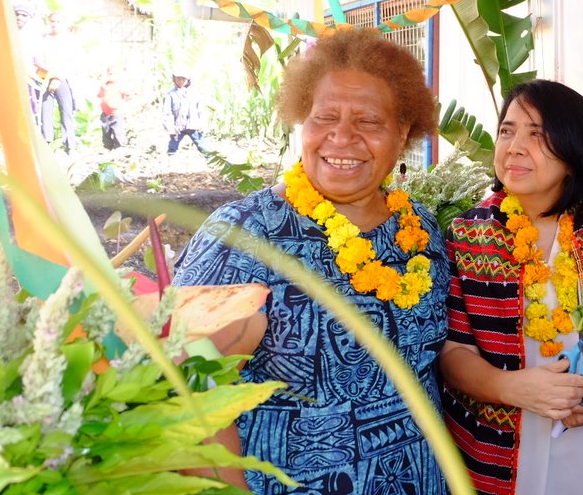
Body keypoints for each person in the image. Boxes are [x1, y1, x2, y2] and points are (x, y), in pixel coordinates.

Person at [172, 28, 448, 494]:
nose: (342, 137)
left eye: (368, 122)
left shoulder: (418, 229)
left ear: (403, 132)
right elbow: (192, 388)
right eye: (325, 117)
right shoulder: (244, 235)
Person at [441, 79, 583, 495]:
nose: (515, 146)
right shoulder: (467, 236)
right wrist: (510, 387)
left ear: (574, 152)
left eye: (537, 134)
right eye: (507, 130)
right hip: (493, 451)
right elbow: (454, 352)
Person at [34, 11, 78, 153]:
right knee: (45, 114)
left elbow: (71, 62)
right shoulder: (43, 39)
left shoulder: (69, 41)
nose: (55, 24)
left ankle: (69, 146)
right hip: (44, 79)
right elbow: (37, 60)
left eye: (59, 21)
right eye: (52, 21)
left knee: (66, 112)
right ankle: (47, 146)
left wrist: (58, 78)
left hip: (63, 81)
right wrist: (52, 75)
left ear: (64, 24)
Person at [162, 69, 210, 155]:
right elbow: (167, 112)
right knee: (172, 146)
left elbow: (201, 111)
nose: (180, 81)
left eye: (183, 79)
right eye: (178, 78)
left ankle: (212, 163)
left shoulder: (195, 93)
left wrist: (202, 124)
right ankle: (170, 164)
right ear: (174, 79)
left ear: (188, 80)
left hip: (193, 125)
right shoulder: (170, 94)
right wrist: (170, 127)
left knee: (202, 146)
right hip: (178, 127)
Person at [98, 67, 131, 149]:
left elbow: (129, 95)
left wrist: (123, 102)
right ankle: (107, 147)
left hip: (116, 113)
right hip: (105, 113)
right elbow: (100, 95)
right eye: (109, 74)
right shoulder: (105, 85)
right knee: (106, 131)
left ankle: (119, 147)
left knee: (118, 131)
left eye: (113, 74)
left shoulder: (120, 85)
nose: (111, 76)